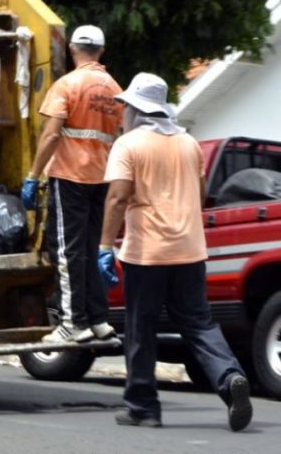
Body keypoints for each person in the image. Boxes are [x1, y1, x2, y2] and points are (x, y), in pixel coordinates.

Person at [99, 72, 253, 431]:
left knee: (140, 327)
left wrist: (105, 246)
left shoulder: (129, 144)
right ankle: (230, 379)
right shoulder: (189, 144)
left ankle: (143, 407)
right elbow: (199, 197)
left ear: (136, 109)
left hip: (147, 253)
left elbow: (118, 196)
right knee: (199, 323)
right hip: (190, 250)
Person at [21, 24, 123, 343]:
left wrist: (32, 175)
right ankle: (98, 320)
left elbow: (51, 134)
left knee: (67, 249)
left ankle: (72, 323)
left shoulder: (67, 85)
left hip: (70, 177)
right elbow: (119, 136)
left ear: (72, 49)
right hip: (102, 178)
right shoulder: (116, 90)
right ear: (102, 52)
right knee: (92, 249)